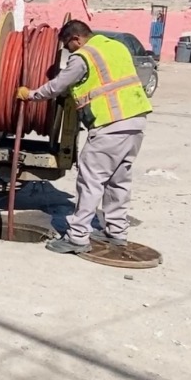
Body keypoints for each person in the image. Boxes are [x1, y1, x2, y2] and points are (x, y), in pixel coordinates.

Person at [17, 20, 152, 254]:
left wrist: (31, 95)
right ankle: (116, 231)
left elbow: (58, 86)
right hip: (136, 120)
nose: (69, 51)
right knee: (119, 179)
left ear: (76, 39)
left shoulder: (84, 56)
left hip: (110, 123)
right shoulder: (117, 47)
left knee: (91, 180)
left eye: (69, 47)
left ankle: (77, 237)